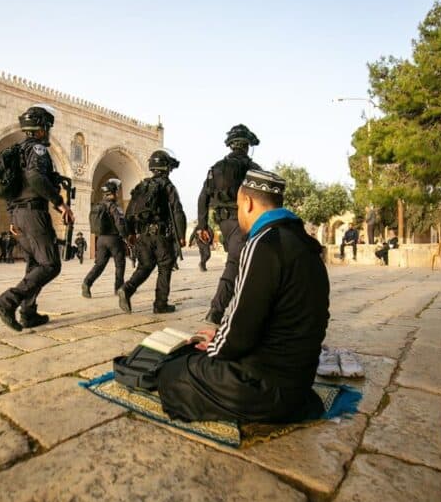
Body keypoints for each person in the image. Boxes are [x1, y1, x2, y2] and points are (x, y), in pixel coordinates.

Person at [157, 170, 330, 423]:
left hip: (265, 389)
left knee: (173, 370)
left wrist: (211, 348)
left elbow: (240, 330)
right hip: (299, 384)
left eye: (238, 206)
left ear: (247, 203)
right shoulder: (307, 244)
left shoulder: (262, 243)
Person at [0, 104, 74, 331]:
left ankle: (28, 313)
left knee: (35, 264)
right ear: (41, 128)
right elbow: (35, 177)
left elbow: (12, 188)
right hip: (34, 214)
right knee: (50, 265)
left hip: (19, 214)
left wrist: (13, 218)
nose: (48, 132)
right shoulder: (37, 150)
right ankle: (6, 302)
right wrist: (60, 203)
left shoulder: (17, 151)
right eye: (47, 127)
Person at [196, 124, 262, 325]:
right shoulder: (254, 169)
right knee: (236, 264)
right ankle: (216, 312)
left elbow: (203, 198)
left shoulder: (216, 168)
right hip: (243, 222)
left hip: (223, 223)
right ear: (247, 145)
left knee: (241, 263)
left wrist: (202, 226)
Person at [117, 149, 186, 314]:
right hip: (162, 236)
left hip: (143, 236)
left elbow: (129, 213)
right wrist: (181, 235)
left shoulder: (141, 186)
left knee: (144, 266)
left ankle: (127, 289)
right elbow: (177, 211)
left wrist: (130, 234)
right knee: (165, 267)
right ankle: (160, 304)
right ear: (167, 167)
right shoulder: (168, 186)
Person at [82, 179, 128, 297]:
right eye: (117, 191)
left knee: (99, 264)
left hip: (101, 239)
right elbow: (119, 222)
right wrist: (125, 236)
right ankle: (118, 288)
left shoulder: (99, 205)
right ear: (114, 192)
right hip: (114, 239)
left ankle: (87, 283)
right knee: (120, 264)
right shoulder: (113, 206)